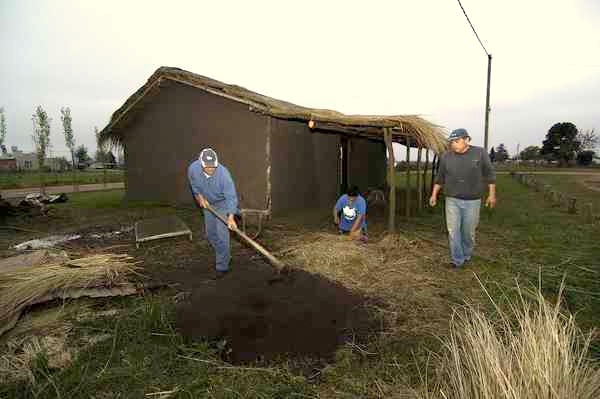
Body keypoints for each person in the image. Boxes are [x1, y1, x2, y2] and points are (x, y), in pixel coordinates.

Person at [429, 128, 496, 268]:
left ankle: (466, 254)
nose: (453, 144)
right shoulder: (446, 156)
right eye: (452, 141)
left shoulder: (480, 153)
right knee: (453, 231)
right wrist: (434, 194)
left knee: (468, 232)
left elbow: (489, 174)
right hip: (452, 200)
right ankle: (457, 260)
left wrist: (491, 195)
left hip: (473, 201)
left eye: (457, 141)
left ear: (467, 140)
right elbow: (440, 178)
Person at [188, 148, 239, 278]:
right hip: (208, 204)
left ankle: (222, 266)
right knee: (210, 234)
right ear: (201, 163)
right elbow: (194, 186)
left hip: (222, 204)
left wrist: (231, 217)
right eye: (207, 167)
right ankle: (225, 255)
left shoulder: (223, 174)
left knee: (222, 235)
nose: (211, 169)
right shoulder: (193, 169)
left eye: (213, 167)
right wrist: (199, 198)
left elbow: (231, 196)